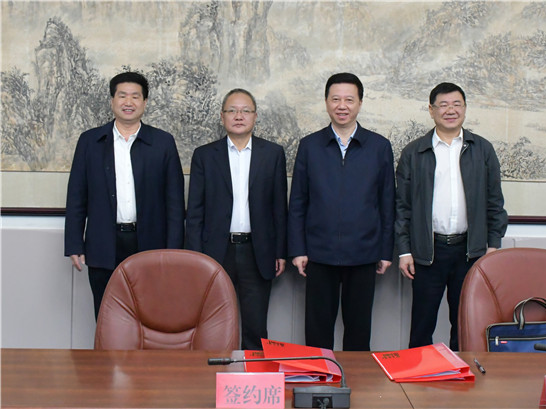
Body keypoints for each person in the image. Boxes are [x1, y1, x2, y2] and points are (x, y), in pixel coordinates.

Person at [395, 82, 508, 351]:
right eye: (443, 105)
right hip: (427, 253)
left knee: (466, 325)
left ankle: (464, 375)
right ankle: (419, 375)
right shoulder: (414, 152)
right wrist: (404, 251)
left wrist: (493, 246)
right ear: (431, 110)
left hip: (470, 252)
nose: (450, 110)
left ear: (465, 109)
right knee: (422, 325)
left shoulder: (482, 149)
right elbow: (402, 206)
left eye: (457, 104)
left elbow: (495, 202)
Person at [64, 71, 185, 319]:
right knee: (107, 316)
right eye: (122, 96)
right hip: (103, 243)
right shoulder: (90, 141)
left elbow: (174, 203)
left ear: (144, 102)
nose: (128, 102)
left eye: (135, 96)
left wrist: (173, 251)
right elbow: (77, 196)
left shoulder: (162, 142)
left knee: (149, 316)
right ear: (112, 101)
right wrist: (74, 243)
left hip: (150, 244)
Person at [288, 73, 395, 351]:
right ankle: (318, 376)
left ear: (360, 103)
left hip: (364, 253)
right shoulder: (310, 146)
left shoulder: (379, 147)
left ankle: (354, 378)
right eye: (335, 99)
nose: (342, 106)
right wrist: (298, 249)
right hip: (318, 253)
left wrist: (385, 251)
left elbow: (387, 202)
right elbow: (298, 201)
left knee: (359, 331)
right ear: (326, 102)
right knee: (317, 331)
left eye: (349, 99)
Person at [186, 88, 287, 350]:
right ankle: (214, 373)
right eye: (232, 110)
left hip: (257, 251)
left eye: (245, 111)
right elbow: (195, 212)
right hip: (216, 252)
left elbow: (279, 208)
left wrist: (280, 251)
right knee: (214, 325)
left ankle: (254, 374)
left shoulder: (272, 154)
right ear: (222, 117)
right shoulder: (205, 155)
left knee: (255, 326)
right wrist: (196, 257)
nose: (238, 116)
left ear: (255, 116)